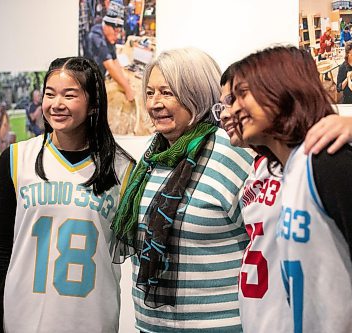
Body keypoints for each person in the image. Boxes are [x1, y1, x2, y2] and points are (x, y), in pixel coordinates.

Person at [230, 45, 352, 333]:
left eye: (242, 94)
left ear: (279, 89)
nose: (232, 109)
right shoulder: (291, 167)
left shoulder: (325, 157)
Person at [0, 56, 136, 333]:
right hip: (23, 320)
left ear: (93, 104)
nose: (56, 104)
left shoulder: (123, 169)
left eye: (69, 95)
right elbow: (0, 248)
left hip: (93, 321)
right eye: (50, 94)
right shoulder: (16, 158)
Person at [111, 47, 254, 332]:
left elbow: (267, 247)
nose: (155, 103)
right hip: (151, 326)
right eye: (150, 93)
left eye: (167, 92)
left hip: (219, 326)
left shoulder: (232, 154)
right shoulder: (151, 160)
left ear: (196, 94)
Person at [86, 0, 135, 102]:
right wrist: (127, 88)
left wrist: (124, 79)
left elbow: (115, 61)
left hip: (100, 78)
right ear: (107, 26)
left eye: (119, 32)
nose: (117, 36)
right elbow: (109, 65)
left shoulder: (110, 38)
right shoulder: (95, 35)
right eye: (115, 31)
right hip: (88, 83)